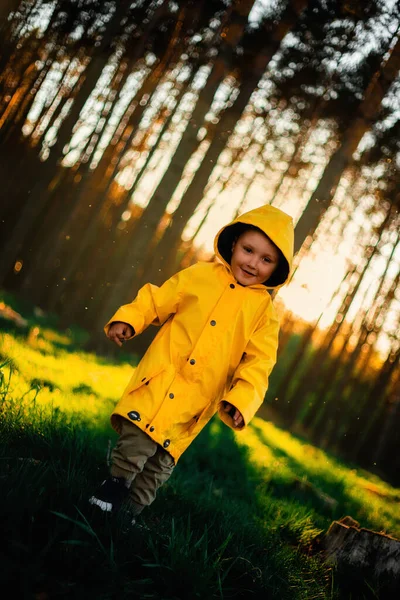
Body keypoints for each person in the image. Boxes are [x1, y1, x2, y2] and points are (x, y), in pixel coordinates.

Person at [89, 204, 294, 520]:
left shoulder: (263, 316)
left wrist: (241, 400)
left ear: (277, 269)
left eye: (266, 260)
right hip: (160, 378)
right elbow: (157, 299)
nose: (253, 263)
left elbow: (259, 363)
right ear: (234, 243)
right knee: (138, 441)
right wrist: (129, 319)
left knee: (160, 464)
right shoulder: (200, 275)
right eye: (248, 250)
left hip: (196, 400)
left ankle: (128, 515)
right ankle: (113, 486)